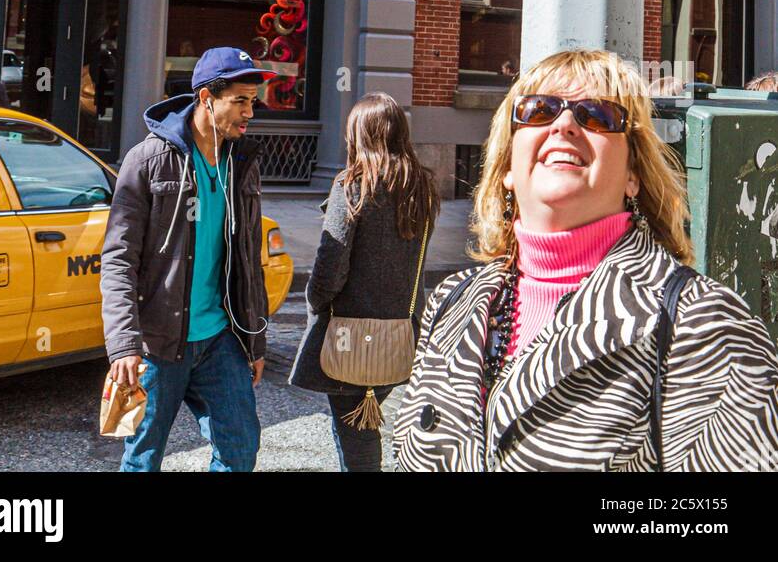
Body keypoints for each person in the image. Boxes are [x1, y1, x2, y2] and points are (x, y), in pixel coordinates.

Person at [395, 48, 778, 472]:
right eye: (538, 110)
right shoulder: (451, 302)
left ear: (633, 173)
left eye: (596, 114)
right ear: (506, 165)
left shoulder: (702, 323)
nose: (564, 124)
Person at [100, 46, 273, 473]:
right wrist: (124, 344)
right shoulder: (149, 160)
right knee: (143, 458)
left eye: (252, 101)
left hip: (221, 338)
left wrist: (255, 340)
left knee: (240, 451)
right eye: (240, 101)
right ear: (206, 98)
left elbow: (250, 259)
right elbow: (119, 257)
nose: (248, 112)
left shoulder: (243, 162)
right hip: (159, 343)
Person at [290, 93, 440, 473]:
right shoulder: (420, 187)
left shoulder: (352, 186)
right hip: (400, 330)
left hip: (348, 333)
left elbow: (331, 263)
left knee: (354, 436)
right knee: (365, 427)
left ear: (359, 134)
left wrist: (315, 302)